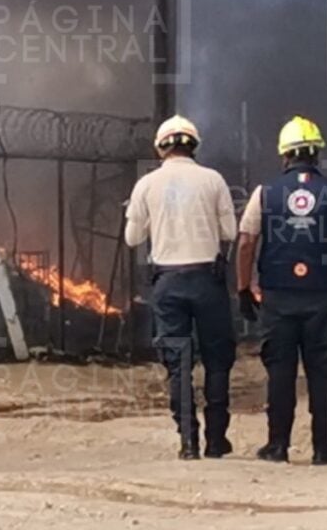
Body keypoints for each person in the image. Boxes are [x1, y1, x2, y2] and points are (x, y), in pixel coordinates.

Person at [235, 116, 327, 465]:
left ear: (285, 157)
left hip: (278, 297)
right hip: (322, 296)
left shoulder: (264, 193)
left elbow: (246, 242)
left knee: (280, 372)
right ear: (316, 155)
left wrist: (243, 288)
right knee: (322, 373)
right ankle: (324, 447)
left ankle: (277, 445)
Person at [125, 115, 238, 460]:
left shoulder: (146, 185)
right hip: (207, 280)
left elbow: (133, 238)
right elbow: (231, 233)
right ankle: (216, 441)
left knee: (178, 364)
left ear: (161, 147)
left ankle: (188, 443)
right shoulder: (213, 179)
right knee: (218, 361)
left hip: (168, 282)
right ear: (194, 146)